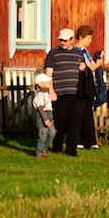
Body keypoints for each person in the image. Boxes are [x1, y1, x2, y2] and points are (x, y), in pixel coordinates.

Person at [44, 27, 85, 155]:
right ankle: (57, 147)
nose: (62, 43)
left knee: (75, 121)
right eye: (61, 40)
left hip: (76, 93)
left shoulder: (79, 54)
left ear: (72, 40)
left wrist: (83, 69)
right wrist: (51, 91)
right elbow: (48, 73)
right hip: (60, 92)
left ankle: (71, 149)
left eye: (65, 41)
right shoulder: (53, 53)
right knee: (61, 121)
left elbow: (83, 70)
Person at [74, 25, 103, 150]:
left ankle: (82, 140)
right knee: (84, 113)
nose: (90, 41)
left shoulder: (80, 51)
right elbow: (89, 67)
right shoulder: (80, 51)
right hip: (83, 85)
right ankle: (88, 141)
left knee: (82, 113)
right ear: (81, 37)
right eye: (88, 38)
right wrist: (99, 63)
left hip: (83, 84)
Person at [32, 73, 56, 158]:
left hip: (50, 114)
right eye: (47, 82)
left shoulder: (47, 94)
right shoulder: (39, 95)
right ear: (40, 84)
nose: (49, 83)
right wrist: (45, 119)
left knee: (52, 132)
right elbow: (41, 108)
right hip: (43, 116)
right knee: (43, 133)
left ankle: (44, 148)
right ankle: (39, 152)